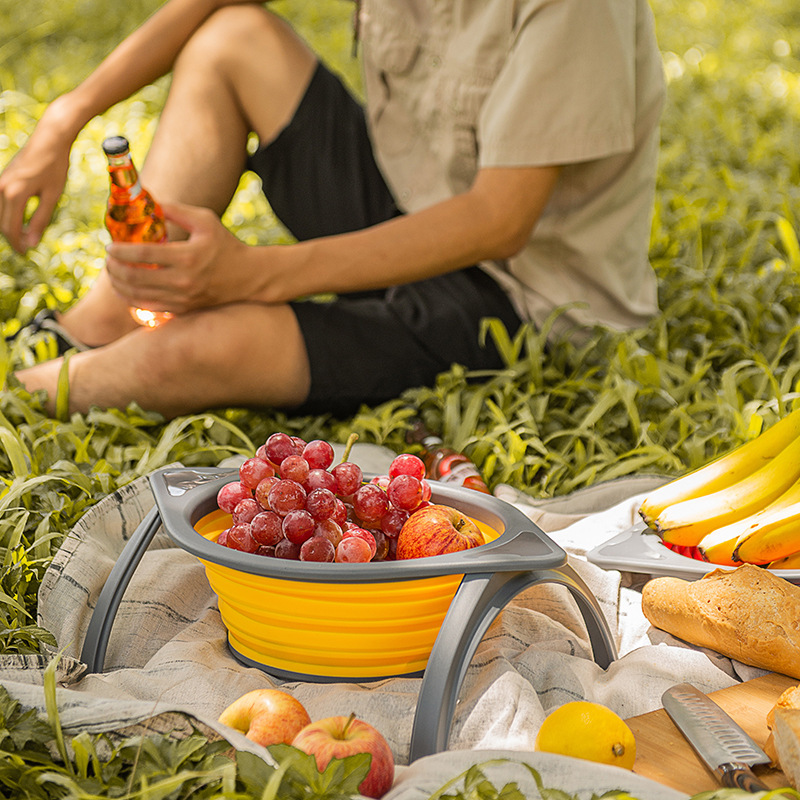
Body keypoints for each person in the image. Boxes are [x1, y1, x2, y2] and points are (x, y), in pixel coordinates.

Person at [0, 0, 666, 420]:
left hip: (515, 300)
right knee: (236, 37)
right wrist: (66, 117)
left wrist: (251, 274)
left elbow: (499, 219)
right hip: (402, 204)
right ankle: (92, 324)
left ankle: (19, 393)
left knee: (191, 353)